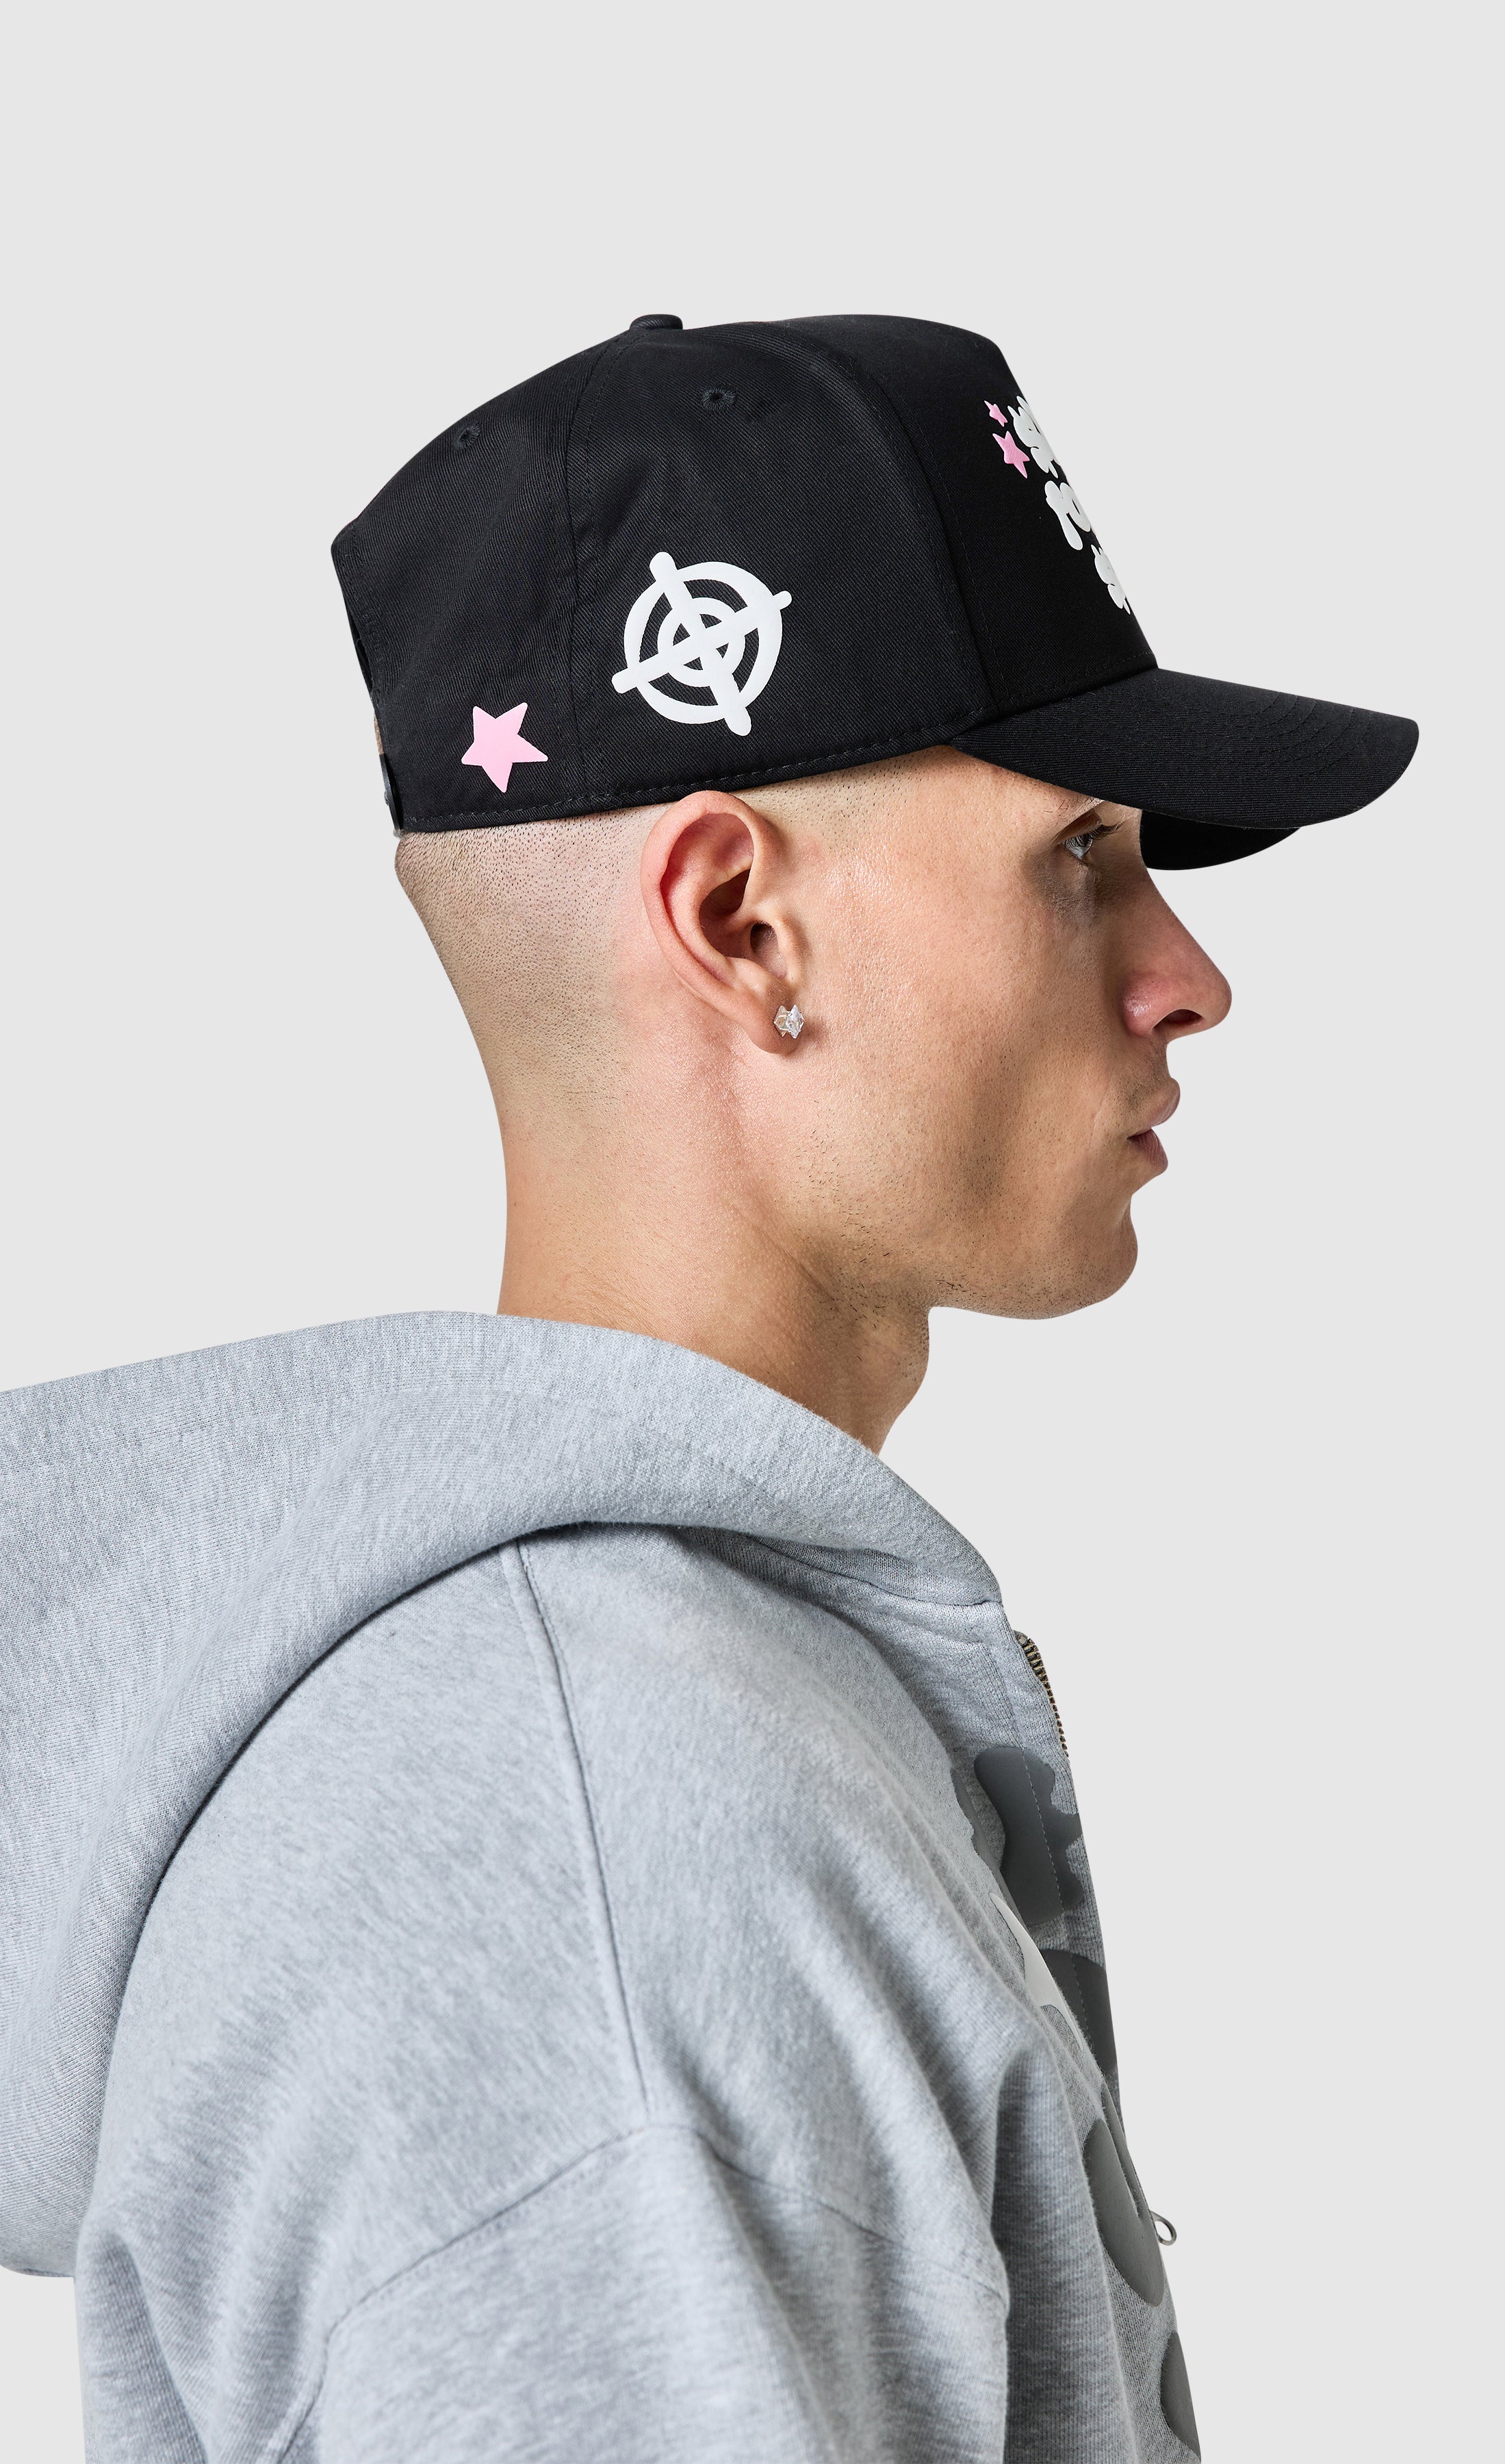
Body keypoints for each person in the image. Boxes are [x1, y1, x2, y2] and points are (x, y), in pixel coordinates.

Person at [0, 313, 1416, 2462]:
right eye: (1079, 854)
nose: (1188, 977)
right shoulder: (608, 1865)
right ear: (743, 921)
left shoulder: (663, 1734)